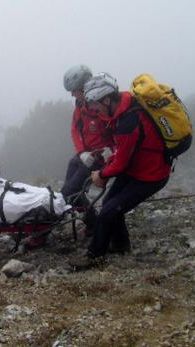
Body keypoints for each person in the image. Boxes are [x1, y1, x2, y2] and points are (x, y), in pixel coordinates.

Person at [69, 73, 171, 271]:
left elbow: (122, 162)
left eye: (97, 104)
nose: (95, 109)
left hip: (150, 175)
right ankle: (121, 244)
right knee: (110, 204)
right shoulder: (124, 109)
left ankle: (94, 256)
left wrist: (102, 174)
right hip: (138, 168)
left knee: (108, 210)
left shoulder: (128, 121)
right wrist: (108, 164)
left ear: (107, 99)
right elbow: (123, 152)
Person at [61, 64, 114, 206]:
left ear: (84, 87)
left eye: (74, 91)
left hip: (101, 158)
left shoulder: (103, 104)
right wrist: (82, 152)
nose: (72, 94)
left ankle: (93, 223)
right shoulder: (80, 104)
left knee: (69, 192)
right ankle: (91, 223)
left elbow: (118, 130)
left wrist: (113, 151)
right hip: (86, 155)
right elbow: (75, 129)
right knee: (69, 188)